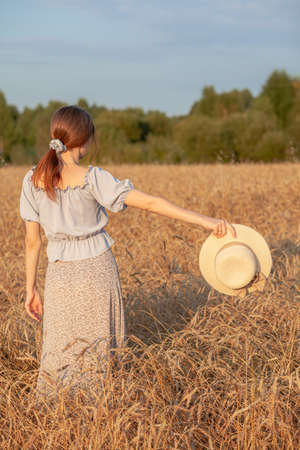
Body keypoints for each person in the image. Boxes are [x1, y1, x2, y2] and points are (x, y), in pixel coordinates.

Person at [19, 105, 236, 406]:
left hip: (59, 276)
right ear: (85, 140)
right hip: (97, 271)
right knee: (99, 348)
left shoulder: (32, 180)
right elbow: (151, 203)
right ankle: (100, 415)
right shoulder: (93, 177)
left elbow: (33, 242)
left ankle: (56, 417)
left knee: (59, 349)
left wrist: (30, 289)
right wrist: (205, 221)